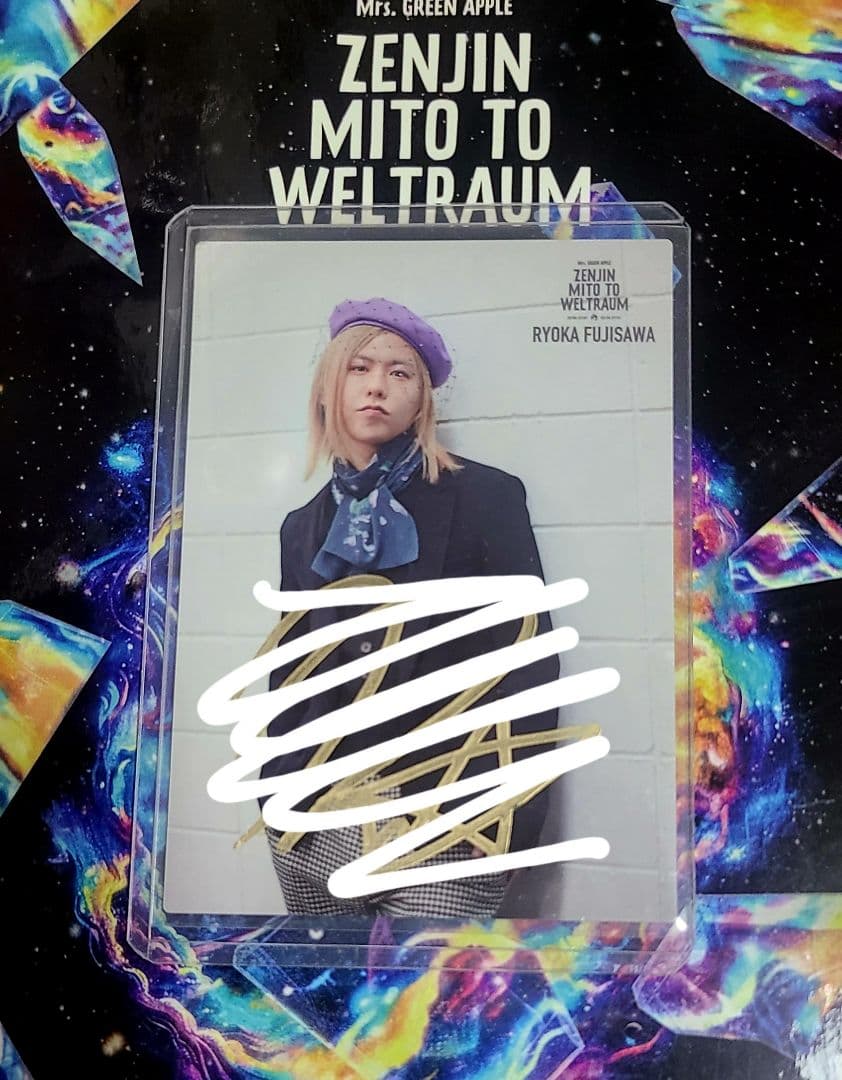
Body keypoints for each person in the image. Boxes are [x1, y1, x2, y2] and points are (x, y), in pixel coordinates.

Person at [261, 297, 559, 920]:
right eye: (359, 368)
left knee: (426, 984)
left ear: (422, 400)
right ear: (328, 387)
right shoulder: (300, 527)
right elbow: (289, 673)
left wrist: (504, 816)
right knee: (327, 984)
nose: (377, 386)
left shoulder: (487, 496)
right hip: (313, 822)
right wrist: (275, 794)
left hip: (445, 822)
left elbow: (530, 662)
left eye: (399, 373)